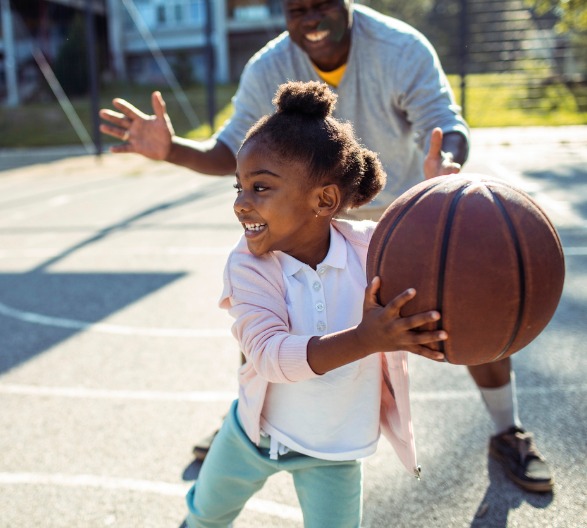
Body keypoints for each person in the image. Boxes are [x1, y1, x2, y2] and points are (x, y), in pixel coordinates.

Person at [100, 0, 553, 493]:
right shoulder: (269, 65)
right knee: (267, 315)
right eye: (296, 10)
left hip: (396, 219)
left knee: (466, 299)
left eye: (320, 6)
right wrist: (172, 149)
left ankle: (506, 429)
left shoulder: (399, 48)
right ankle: (248, 423)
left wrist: (444, 165)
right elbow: (231, 148)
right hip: (298, 220)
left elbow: (444, 121)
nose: (309, 19)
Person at [184, 79, 447, 528]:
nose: (242, 204)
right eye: (239, 188)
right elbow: (268, 356)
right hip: (255, 436)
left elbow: (429, 257)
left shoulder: (370, 251)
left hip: (334, 450)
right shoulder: (248, 266)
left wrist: (440, 204)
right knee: (205, 516)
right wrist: (365, 339)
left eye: (260, 188)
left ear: (324, 200)